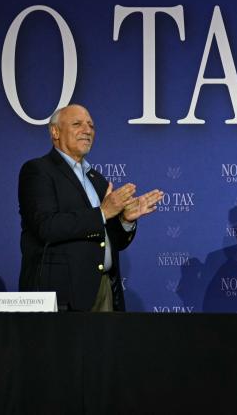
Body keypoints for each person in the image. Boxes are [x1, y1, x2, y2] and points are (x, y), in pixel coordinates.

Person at [18, 104, 163, 311]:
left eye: (91, 126)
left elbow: (113, 242)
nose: (87, 130)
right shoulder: (38, 171)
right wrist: (102, 213)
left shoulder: (97, 179)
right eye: (77, 124)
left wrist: (125, 220)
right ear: (55, 131)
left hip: (104, 288)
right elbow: (46, 227)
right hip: (62, 295)